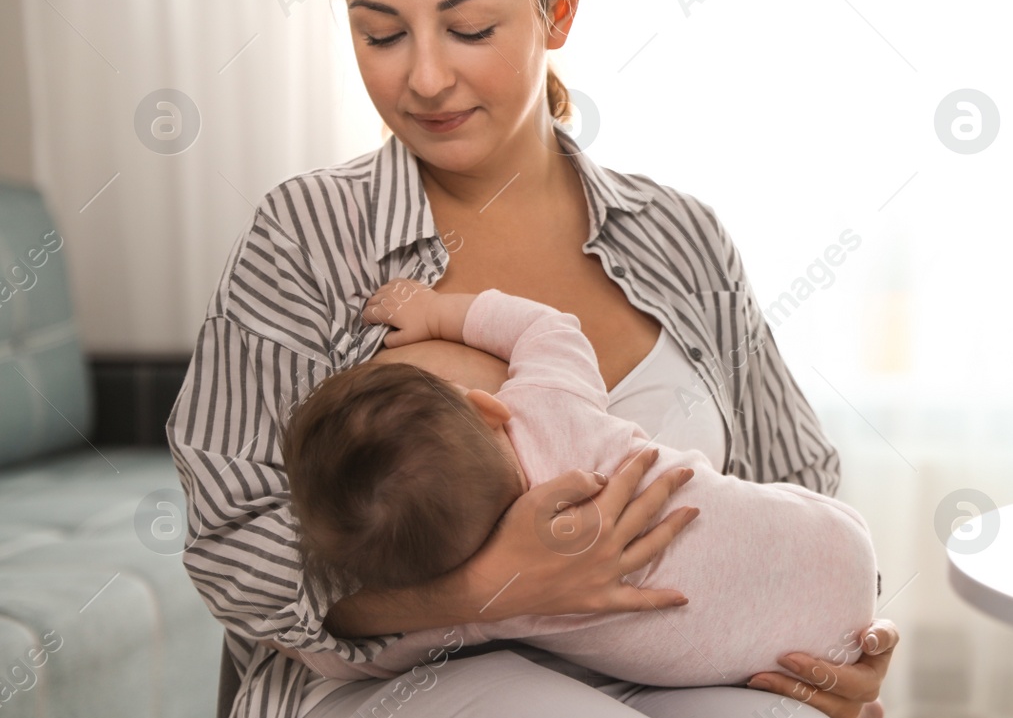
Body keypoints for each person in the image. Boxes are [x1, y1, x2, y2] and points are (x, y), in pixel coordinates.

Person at [167, 0, 947, 718]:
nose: (425, 78)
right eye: (382, 30)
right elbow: (232, 542)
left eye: (469, 26)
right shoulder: (306, 234)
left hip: (662, 673)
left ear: (558, 8)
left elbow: (790, 473)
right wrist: (488, 592)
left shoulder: (677, 232)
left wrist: (844, 643)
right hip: (390, 700)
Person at [284, 283, 880, 687]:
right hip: (841, 547)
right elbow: (547, 328)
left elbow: (351, 660)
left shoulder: (492, 609)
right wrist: (443, 312)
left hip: (789, 663)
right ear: (487, 409)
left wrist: (313, 641)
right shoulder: (541, 406)